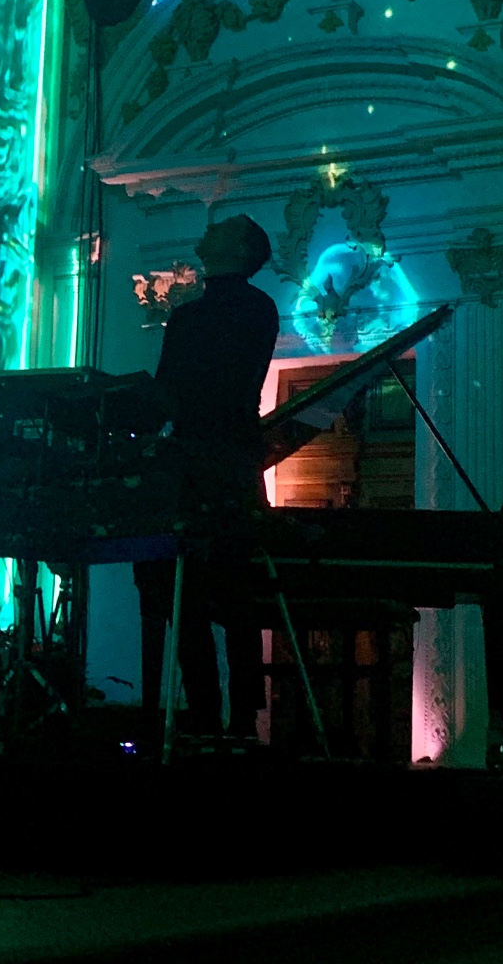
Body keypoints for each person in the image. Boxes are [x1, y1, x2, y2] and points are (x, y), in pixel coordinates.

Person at [135, 215, 279, 740]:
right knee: (237, 598)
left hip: (197, 467)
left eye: (226, 228)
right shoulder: (259, 308)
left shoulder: (193, 317)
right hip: (234, 464)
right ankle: (240, 719)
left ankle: (204, 714)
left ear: (239, 249)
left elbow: (170, 392)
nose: (210, 228)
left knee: (185, 595)